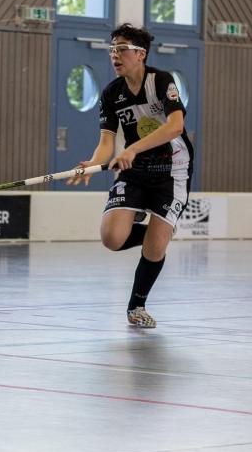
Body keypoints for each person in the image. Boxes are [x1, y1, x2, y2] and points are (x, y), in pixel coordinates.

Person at [67, 23, 192, 328]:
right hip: (134, 171)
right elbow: (106, 144)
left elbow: (175, 126)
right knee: (111, 238)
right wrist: (92, 164)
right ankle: (157, 233)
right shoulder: (111, 94)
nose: (115, 55)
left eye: (122, 49)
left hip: (172, 171)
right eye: (112, 49)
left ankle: (137, 305)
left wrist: (133, 148)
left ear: (141, 54)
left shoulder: (162, 81)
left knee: (155, 246)